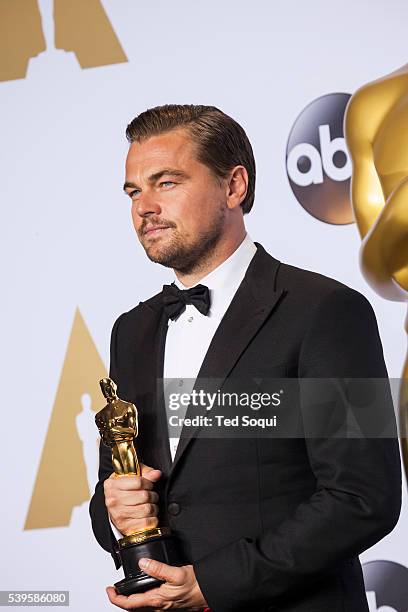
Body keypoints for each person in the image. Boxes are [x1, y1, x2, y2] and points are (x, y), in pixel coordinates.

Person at [89, 104, 401, 612]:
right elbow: (116, 491)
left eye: (166, 182)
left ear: (234, 187)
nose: (144, 206)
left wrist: (215, 583)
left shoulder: (327, 310)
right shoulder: (132, 331)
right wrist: (115, 512)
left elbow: (364, 498)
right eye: (133, 190)